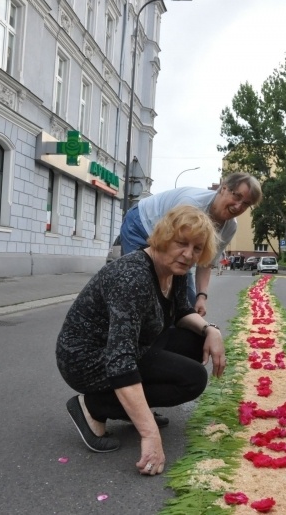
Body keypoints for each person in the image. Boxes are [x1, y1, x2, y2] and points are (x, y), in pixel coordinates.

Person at [56, 205, 226, 476]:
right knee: (193, 379)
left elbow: (181, 311)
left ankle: (134, 406)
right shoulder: (133, 276)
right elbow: (120, 360)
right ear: (163, 236)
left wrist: (210, 330)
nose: (188, 254)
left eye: (196, 248)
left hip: (132, 345)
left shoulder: (175, 269)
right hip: (86, 359)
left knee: (195, 342)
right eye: (181, 243)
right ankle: (93, 406)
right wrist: (150, 435)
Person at [120, 172, 263, 315]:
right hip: (140, 224)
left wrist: (201, 297)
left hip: (175, 246)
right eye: (237, 196)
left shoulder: (230, 227)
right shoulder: (191, 204)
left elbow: (206, 262)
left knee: (187, 302)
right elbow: (170, 249)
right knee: (145, 284)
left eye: (246, 204)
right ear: (224, 188)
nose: (238, 206)